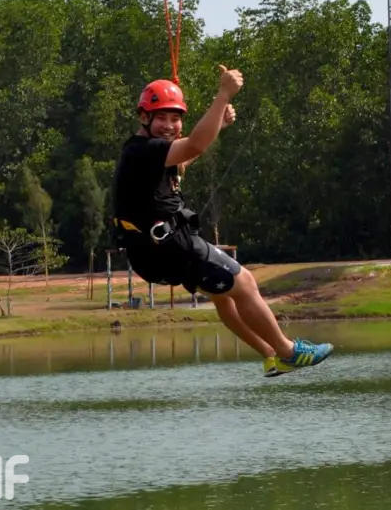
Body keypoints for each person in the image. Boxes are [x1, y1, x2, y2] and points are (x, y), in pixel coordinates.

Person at [113, 70, 333, 378]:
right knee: (245, 283)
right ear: (143, 117)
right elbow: (195, 145)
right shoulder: (142, 151)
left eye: (175, 119)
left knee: (224, 296)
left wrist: (219, 122)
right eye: (161, 118)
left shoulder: (146, 152)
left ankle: (270, 355)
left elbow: (184, 160)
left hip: (152, 252)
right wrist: (223, 95)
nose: (169, 125)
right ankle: (289, 352)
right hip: (171, 247)